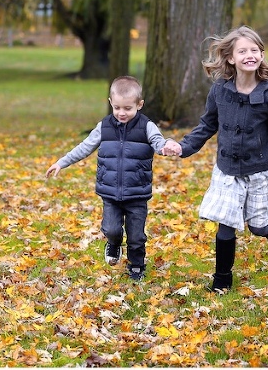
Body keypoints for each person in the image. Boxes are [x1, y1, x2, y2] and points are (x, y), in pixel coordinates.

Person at [162, 26, 268, 292]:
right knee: (225, 226)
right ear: (230, 58)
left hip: (258, 171)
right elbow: (207, 126)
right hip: (227, 171)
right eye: (243, 51)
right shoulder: (220, 91)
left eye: (255, 50)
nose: (250, 55)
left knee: (259, 227)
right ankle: (222, 279)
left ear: (261, 55)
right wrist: (183, 147)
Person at [46, 76, 174, 281]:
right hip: (110, 191)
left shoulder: (146, 126)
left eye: (128, 108)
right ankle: (113, 244)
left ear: (139, 105)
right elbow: (85, 146)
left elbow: (158, 141)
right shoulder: (104, 126)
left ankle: (136, 265)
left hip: (137, 193)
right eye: (117, 108)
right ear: (110, 103)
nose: (122, 113)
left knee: (136, 235)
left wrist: (166, 146)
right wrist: (62, 162)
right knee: (112, 229)